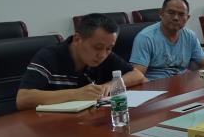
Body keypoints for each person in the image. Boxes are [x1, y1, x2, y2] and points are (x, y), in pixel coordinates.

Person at [16, 13, 144, 109]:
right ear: (77, 39)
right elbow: (23, 98)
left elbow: (137, 75)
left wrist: (109, 86)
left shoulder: (105, 54)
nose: (102, 55)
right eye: (97, 47)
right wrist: (76, 94)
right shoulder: (49, 56)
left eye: (109, 48)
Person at [130, 0, 204, 79]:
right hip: (155, 84)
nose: (176, 18)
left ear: (188, 18)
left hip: (182, 82)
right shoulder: (145, 38)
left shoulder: (190, 36)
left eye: (181, 14)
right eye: (171, 13)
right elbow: (138, 76)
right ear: (161, 13)